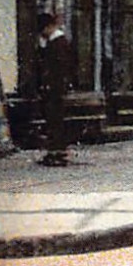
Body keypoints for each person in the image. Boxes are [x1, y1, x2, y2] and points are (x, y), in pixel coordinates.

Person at [36, 12, 75, 167]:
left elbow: (57, 68)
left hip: (55, 88)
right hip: (54, 87)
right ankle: (55, 151)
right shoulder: (55, 42)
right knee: (53, 120)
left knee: (55, 119)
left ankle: (57, 152)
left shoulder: (58, 43)